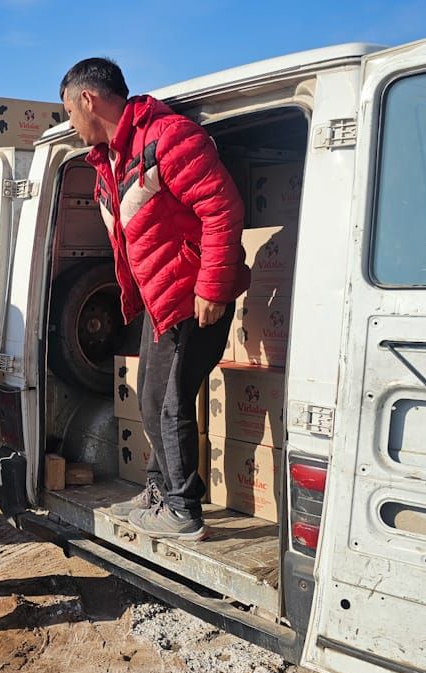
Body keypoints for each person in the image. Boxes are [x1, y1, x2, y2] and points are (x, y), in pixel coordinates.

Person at [60, 58, 250, 540]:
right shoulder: (110, 159)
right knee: (148, 399)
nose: (70, 124)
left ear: (89, 99)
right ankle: (160, 491)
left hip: (191, 296)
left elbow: (221, 208)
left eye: (69, 111)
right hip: (159, 301)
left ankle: (183, 509)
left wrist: (212, 286)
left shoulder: (169, 138)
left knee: (168, 403)